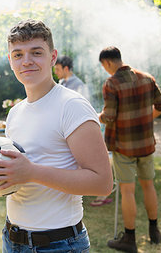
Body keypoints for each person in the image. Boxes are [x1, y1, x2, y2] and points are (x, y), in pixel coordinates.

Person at [0, 19, 113, 252]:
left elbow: (102, 183)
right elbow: (19, 176)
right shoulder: (15, 112)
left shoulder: (72, 106)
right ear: (10, 61)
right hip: (12, 240)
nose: (26, 61)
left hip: (59, 244)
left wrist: (32, 172)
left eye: (36, 52)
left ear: (52, 57)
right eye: (17, 54)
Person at [98, 46, 161, 253]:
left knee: (127, 191)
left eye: (104, 67)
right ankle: (155, 231)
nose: (106, 71)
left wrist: (98, 116)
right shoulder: (147, 78)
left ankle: (129, 239)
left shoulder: (112, 83)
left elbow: (109, 116)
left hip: (123, 146)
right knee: (149, 186)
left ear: (108, 63)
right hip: (146, 144)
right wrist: (147, 118)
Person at [54, 55, 112, 207]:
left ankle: (88, 193)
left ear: (66, 69)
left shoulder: (79, 85)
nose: (56, 72)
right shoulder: (60, 83)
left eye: (58, 69)